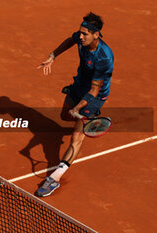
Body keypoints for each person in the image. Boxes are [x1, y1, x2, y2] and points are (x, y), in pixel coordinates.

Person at [35, 12, 114, 197]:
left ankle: (54, 178)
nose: (80, 36)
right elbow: (69, 40)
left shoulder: (104, 58)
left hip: (94, 96)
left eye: (84, 34)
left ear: (96, 34)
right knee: (64, 116)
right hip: (78, 86)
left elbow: (94, 90)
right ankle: (88, 119)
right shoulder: (80, 39)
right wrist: (53, 55)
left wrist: (79, 107)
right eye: (80, 32)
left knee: (76, 138)